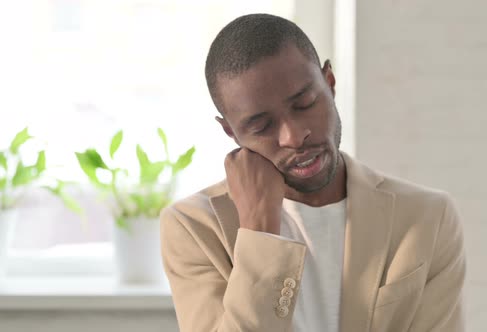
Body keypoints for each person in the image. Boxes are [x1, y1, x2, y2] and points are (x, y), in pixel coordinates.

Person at [160, 13, 466, 332]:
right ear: (232, 133)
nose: (293, 136)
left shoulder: (427, 216)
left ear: (330, 84)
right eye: (262, 126)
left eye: (305, 104)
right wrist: (260, 230)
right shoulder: (194, 228)